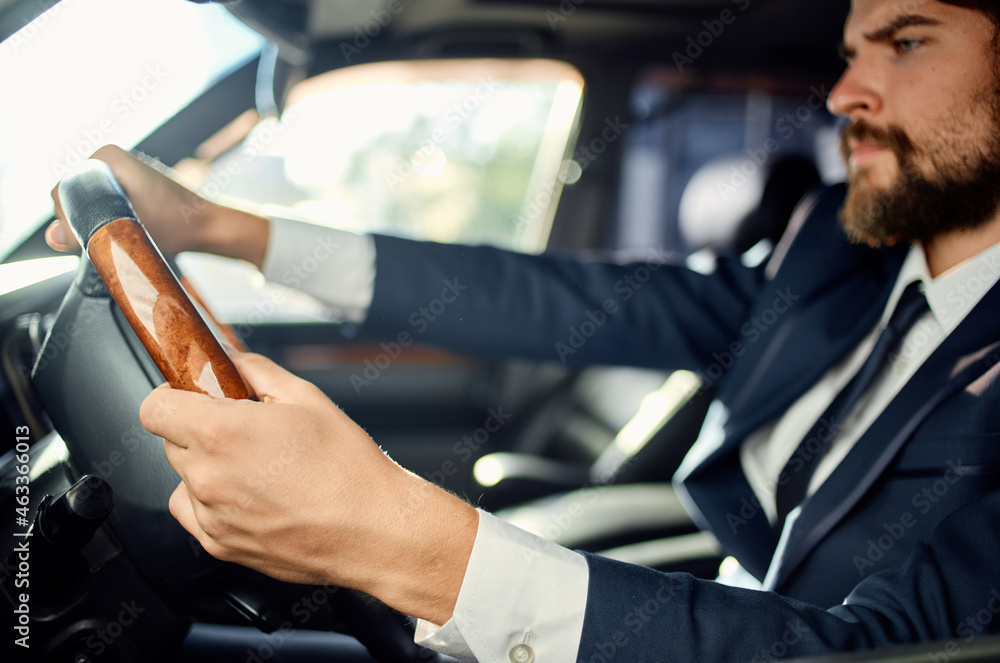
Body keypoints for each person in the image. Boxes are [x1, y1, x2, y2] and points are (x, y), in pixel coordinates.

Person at [46, 0, 1000, 660]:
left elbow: (891, 651)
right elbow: (559, 298)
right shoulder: (836, 257)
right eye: (849, 51)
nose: (845, 94)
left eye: (906, 42)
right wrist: (223, 229)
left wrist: (402, 538)